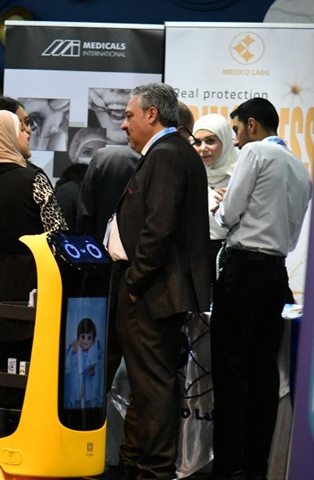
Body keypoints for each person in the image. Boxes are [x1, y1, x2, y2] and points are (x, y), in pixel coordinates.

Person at [111, 83, 209, 480]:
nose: (123, 124)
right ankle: (151, 464)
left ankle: (154, 469)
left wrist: (135, 281)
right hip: (156, 289)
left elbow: (158, 227)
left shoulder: (167, 154)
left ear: (152, 115)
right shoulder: (172, 152)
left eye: (130, 115)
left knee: (152, 386)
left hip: (152, 291)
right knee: (153, 384)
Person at [210, 98, 311, 480]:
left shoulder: (254, 151)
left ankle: (226, 467)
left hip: (242, 270)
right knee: (264, 372)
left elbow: (230, 214)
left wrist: (219, 207)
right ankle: (255, 467)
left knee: (230, 370)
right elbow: (293, 229)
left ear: (251, 125)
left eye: (235, 129)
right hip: (275, 275)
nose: (234, 140)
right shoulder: (302, 170)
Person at [0, 110, 67, 472]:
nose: (26, 132)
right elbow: (58, 234)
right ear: (5, 136)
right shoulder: (33, 179)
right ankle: (28, 450)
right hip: (33, 285)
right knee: (27, 371)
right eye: (19, 127)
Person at [191, 114, 238, 281]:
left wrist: (232, 206)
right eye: (197, 142)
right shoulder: (191, 176)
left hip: (229, 259)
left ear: (225, 141)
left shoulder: (239, 177)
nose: (203, 148)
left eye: (210, 141)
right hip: (194, 258)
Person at [64, 318, 103, 409]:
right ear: (78, 338)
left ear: (93, 341)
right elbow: (71, 365)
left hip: (88, 391)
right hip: (78, 389)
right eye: (83, 337)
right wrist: (74, 353)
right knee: (77, 406)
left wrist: (92, 372)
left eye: (89, 337)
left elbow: (98, 369)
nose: (86, 341)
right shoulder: (76, 352)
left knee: (88, 406)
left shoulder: (94, 354)